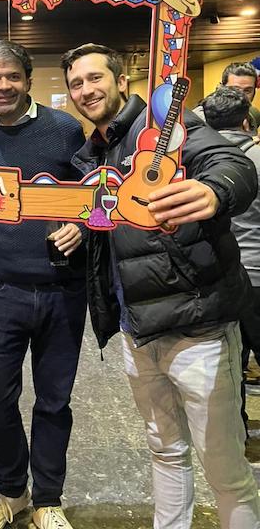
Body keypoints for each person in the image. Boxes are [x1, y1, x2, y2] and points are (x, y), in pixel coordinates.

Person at [62, 43, 260, 529]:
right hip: (137, 330)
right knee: (165, 452)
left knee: (225, 469)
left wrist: (214, 190)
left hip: (199, 327)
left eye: (95, 78)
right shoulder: (92, 155)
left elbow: (232, 165)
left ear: (120, 82)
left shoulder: (163, 127)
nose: (86, 90)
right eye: (76, 83)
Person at [0, 40, 87, 529]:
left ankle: (48, 499)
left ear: (27, 80)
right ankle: (11, 492)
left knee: (54, 402)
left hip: (62, 290)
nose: (2, 85)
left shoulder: (65, 129)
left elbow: (95, 191)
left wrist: (83, 226)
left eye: (12, 76)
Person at [204, 85, 260, 410]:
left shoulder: (196, 162)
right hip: (257, 273)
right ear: (245, 122)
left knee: (230, 366)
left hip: (220, 278)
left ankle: (237, 429)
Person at [195, 61, 260, 133]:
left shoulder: (253, 115)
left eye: (247, 91)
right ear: (221, 88)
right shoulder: (201, 117)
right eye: (235, 90)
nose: (242, 96)